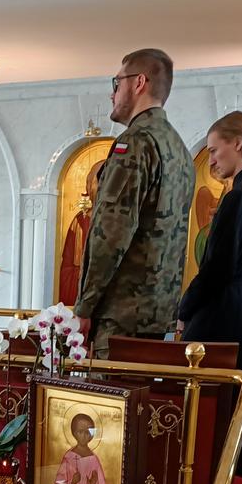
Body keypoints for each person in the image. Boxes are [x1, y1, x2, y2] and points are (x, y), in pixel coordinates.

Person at [74, 48, 192, 358]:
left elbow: (112, 231)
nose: (112, 94)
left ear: (138, 82)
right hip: (159, 314)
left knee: (110, 391)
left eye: (117, 83)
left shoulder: (136, 142)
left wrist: (85, 305)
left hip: (121, 315)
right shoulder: (178, 147)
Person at [176, 111, 242, 375]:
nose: (210, 161)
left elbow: (218, 267)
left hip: (220, 313)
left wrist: (185, 309)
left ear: (238, 143)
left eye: (214, 150)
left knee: (201, 391)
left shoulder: (240, 195)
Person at [58, 161, 105, 307]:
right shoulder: (80, 221)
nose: (90, 187)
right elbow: (67, 267)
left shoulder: (124, 221)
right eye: (89, 182)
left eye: (94, 182)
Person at [54, 414, 112, 484]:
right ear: (74, 433)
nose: (84, 436)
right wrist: (71, 482)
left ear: (91, 435)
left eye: (87, 432)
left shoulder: (94, 460)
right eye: (80, 432)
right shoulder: (69, 457)